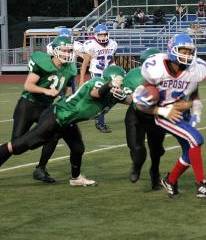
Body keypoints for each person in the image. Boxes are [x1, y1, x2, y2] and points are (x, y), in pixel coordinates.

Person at [0, 66, 129, 186]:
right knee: (19, 146)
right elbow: (96, 93)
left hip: (68, 121)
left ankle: (75, 179)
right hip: (57, 116)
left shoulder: (115, 95)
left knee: (78, 148)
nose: (121, 85)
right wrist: (109, 85)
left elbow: (131, 100)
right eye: (120, 81)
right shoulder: (99, 83)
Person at [136, 34, 206, 198]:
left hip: (182, 114)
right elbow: (139, 102)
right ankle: (201, 183)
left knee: (189, 152)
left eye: (190, 52)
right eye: (183, 51)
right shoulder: (156, 68)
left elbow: (194, 95)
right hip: (166, 114)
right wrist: (161, 111)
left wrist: (191, 106)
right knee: (196, 139)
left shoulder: (194, 70)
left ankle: (170, 180)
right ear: (172, 50)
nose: (187, 55)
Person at [9, 36, 76, 183]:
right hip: (28, 104)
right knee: (16, 144)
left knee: (53, 134)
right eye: (64, 50)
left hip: (46, 107)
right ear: (55, 51)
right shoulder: (44, 63)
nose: (67, 53)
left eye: (69, 50)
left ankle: (40, 168)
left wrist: (66, 99)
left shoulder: (70, 68)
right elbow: (28, 85)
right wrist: (46, 91)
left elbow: (66, 87)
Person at [124, 48, 166, 190]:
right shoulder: (133, 77)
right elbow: (129, 99)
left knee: (157, 151)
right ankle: (136, 166)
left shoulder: (168, 76)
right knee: (137, 148)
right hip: (136, 114)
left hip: (157, 116)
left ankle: (155, 175)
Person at [79, 24, 118, 133]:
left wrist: (114, 69)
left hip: (109, 73)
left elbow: (112, 59)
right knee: (102, 97)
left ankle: (94, 113)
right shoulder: (90, 45)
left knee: (111, 97)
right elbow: (85, 63)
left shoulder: (113, 44)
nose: (103, 37)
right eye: (100, 35)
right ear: (96, 35)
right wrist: (81, 79)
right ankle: (100, 122)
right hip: (96, 74)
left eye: (105, 34)